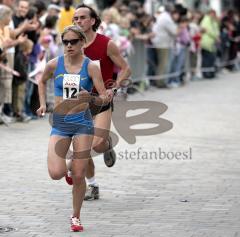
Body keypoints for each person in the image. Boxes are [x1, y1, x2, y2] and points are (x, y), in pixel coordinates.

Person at [37, 25, 110, 232]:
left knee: (79, 175)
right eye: (65, 42)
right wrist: (43, 104)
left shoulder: (91, 67)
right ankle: (67, 167)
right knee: (55, 173)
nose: (69, 46)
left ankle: (75, 217)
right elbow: (40, 82)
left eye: (73, 42)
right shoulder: (54, 64)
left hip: (83, 123)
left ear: (82, 43)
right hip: (60, 123)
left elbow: (104, 97)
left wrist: (92, 97)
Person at [66, 4, 131, 201]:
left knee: (98, 143)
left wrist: (114, 87)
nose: (78, 21)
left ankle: (107, 144)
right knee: (83, 147)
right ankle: (92, 185)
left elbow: (126, 68)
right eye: (76, 19)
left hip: (102, 98)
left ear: (93, 21)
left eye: (83, 18)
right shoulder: (71, 43)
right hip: (79, 101)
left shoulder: (106, 43)